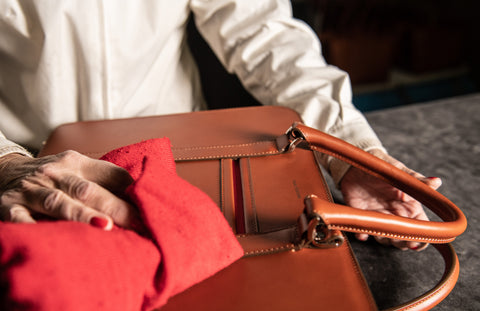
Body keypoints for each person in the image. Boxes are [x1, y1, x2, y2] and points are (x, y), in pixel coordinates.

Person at [0, 0, 440, 250]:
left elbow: (262, 32)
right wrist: (6, 162)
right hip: (33, 173)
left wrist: (346, 151)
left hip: (184, 163)